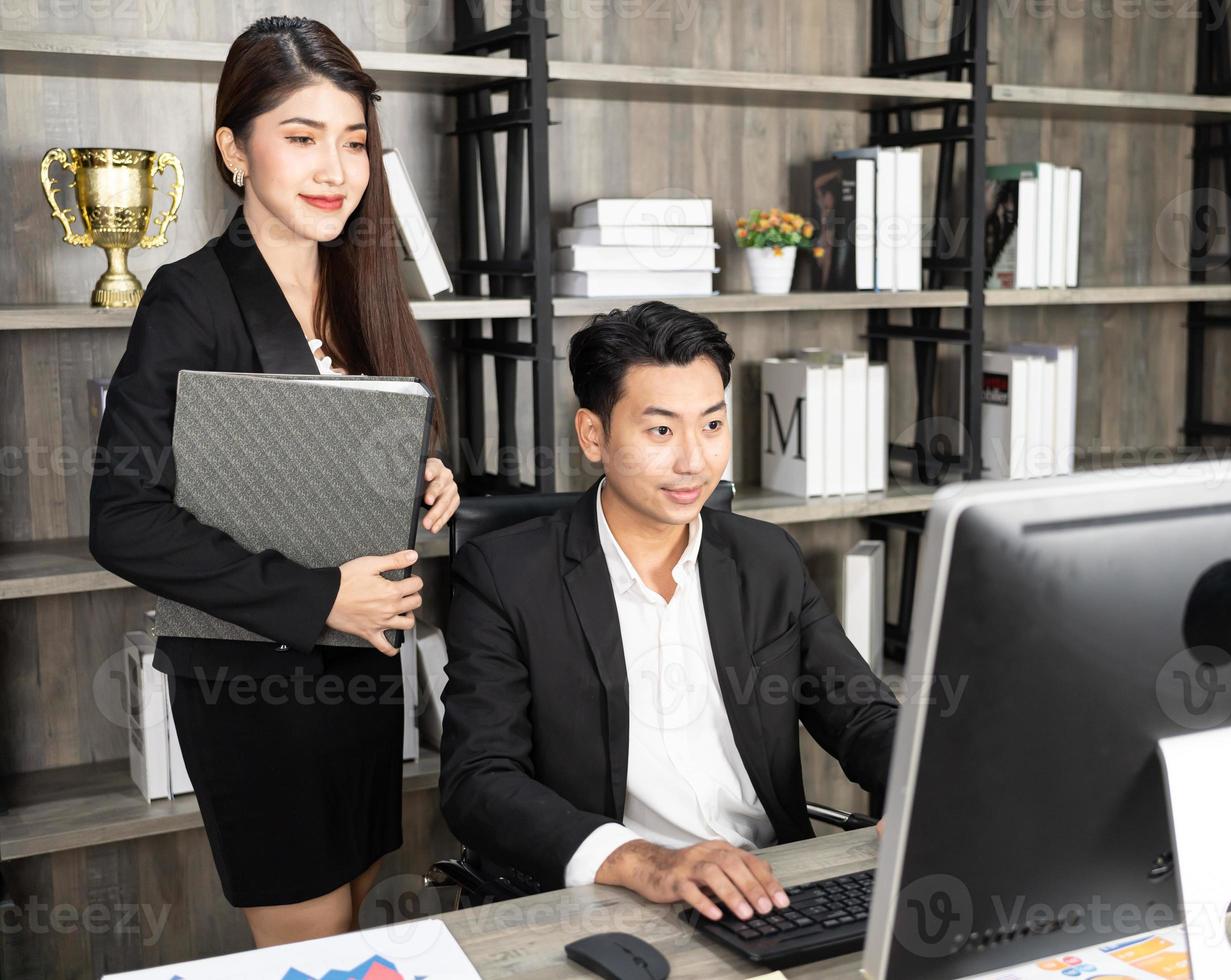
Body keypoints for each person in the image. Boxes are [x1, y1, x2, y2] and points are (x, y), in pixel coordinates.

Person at [88, 16, 460, 947]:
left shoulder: (364, 290)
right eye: (302, 138)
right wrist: (321, 595)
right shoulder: (191, 298)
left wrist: (423, 479)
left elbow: (347, 464)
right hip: (257, 684)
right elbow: (124, 519)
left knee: (361, 919)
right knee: (314, 946)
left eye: (354, 141)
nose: (335, 167)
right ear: (235, 149)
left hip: (365, 667)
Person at [440, 301, 897, 924]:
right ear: (593, 435)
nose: (694, 461)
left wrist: (923, 789)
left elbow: (861, 715)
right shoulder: (507, 576)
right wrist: (642, 861)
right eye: (661, 431)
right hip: (610, 896)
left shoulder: (766, 558)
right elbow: (479, 780)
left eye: (711, 426)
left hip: (768, 887)